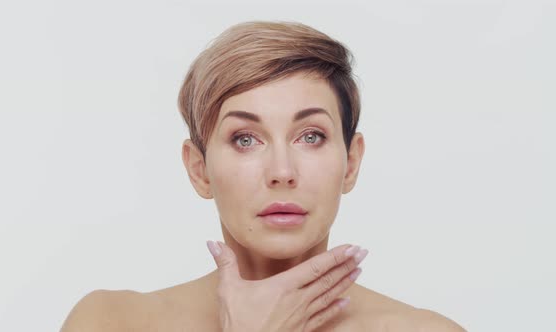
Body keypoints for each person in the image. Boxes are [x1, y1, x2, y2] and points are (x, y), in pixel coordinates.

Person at [60, 21, 466, 331]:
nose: (282, 172)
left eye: (311, 136)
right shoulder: (111, 322)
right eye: (245, 139)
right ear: (198, 169)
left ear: (352, 162)